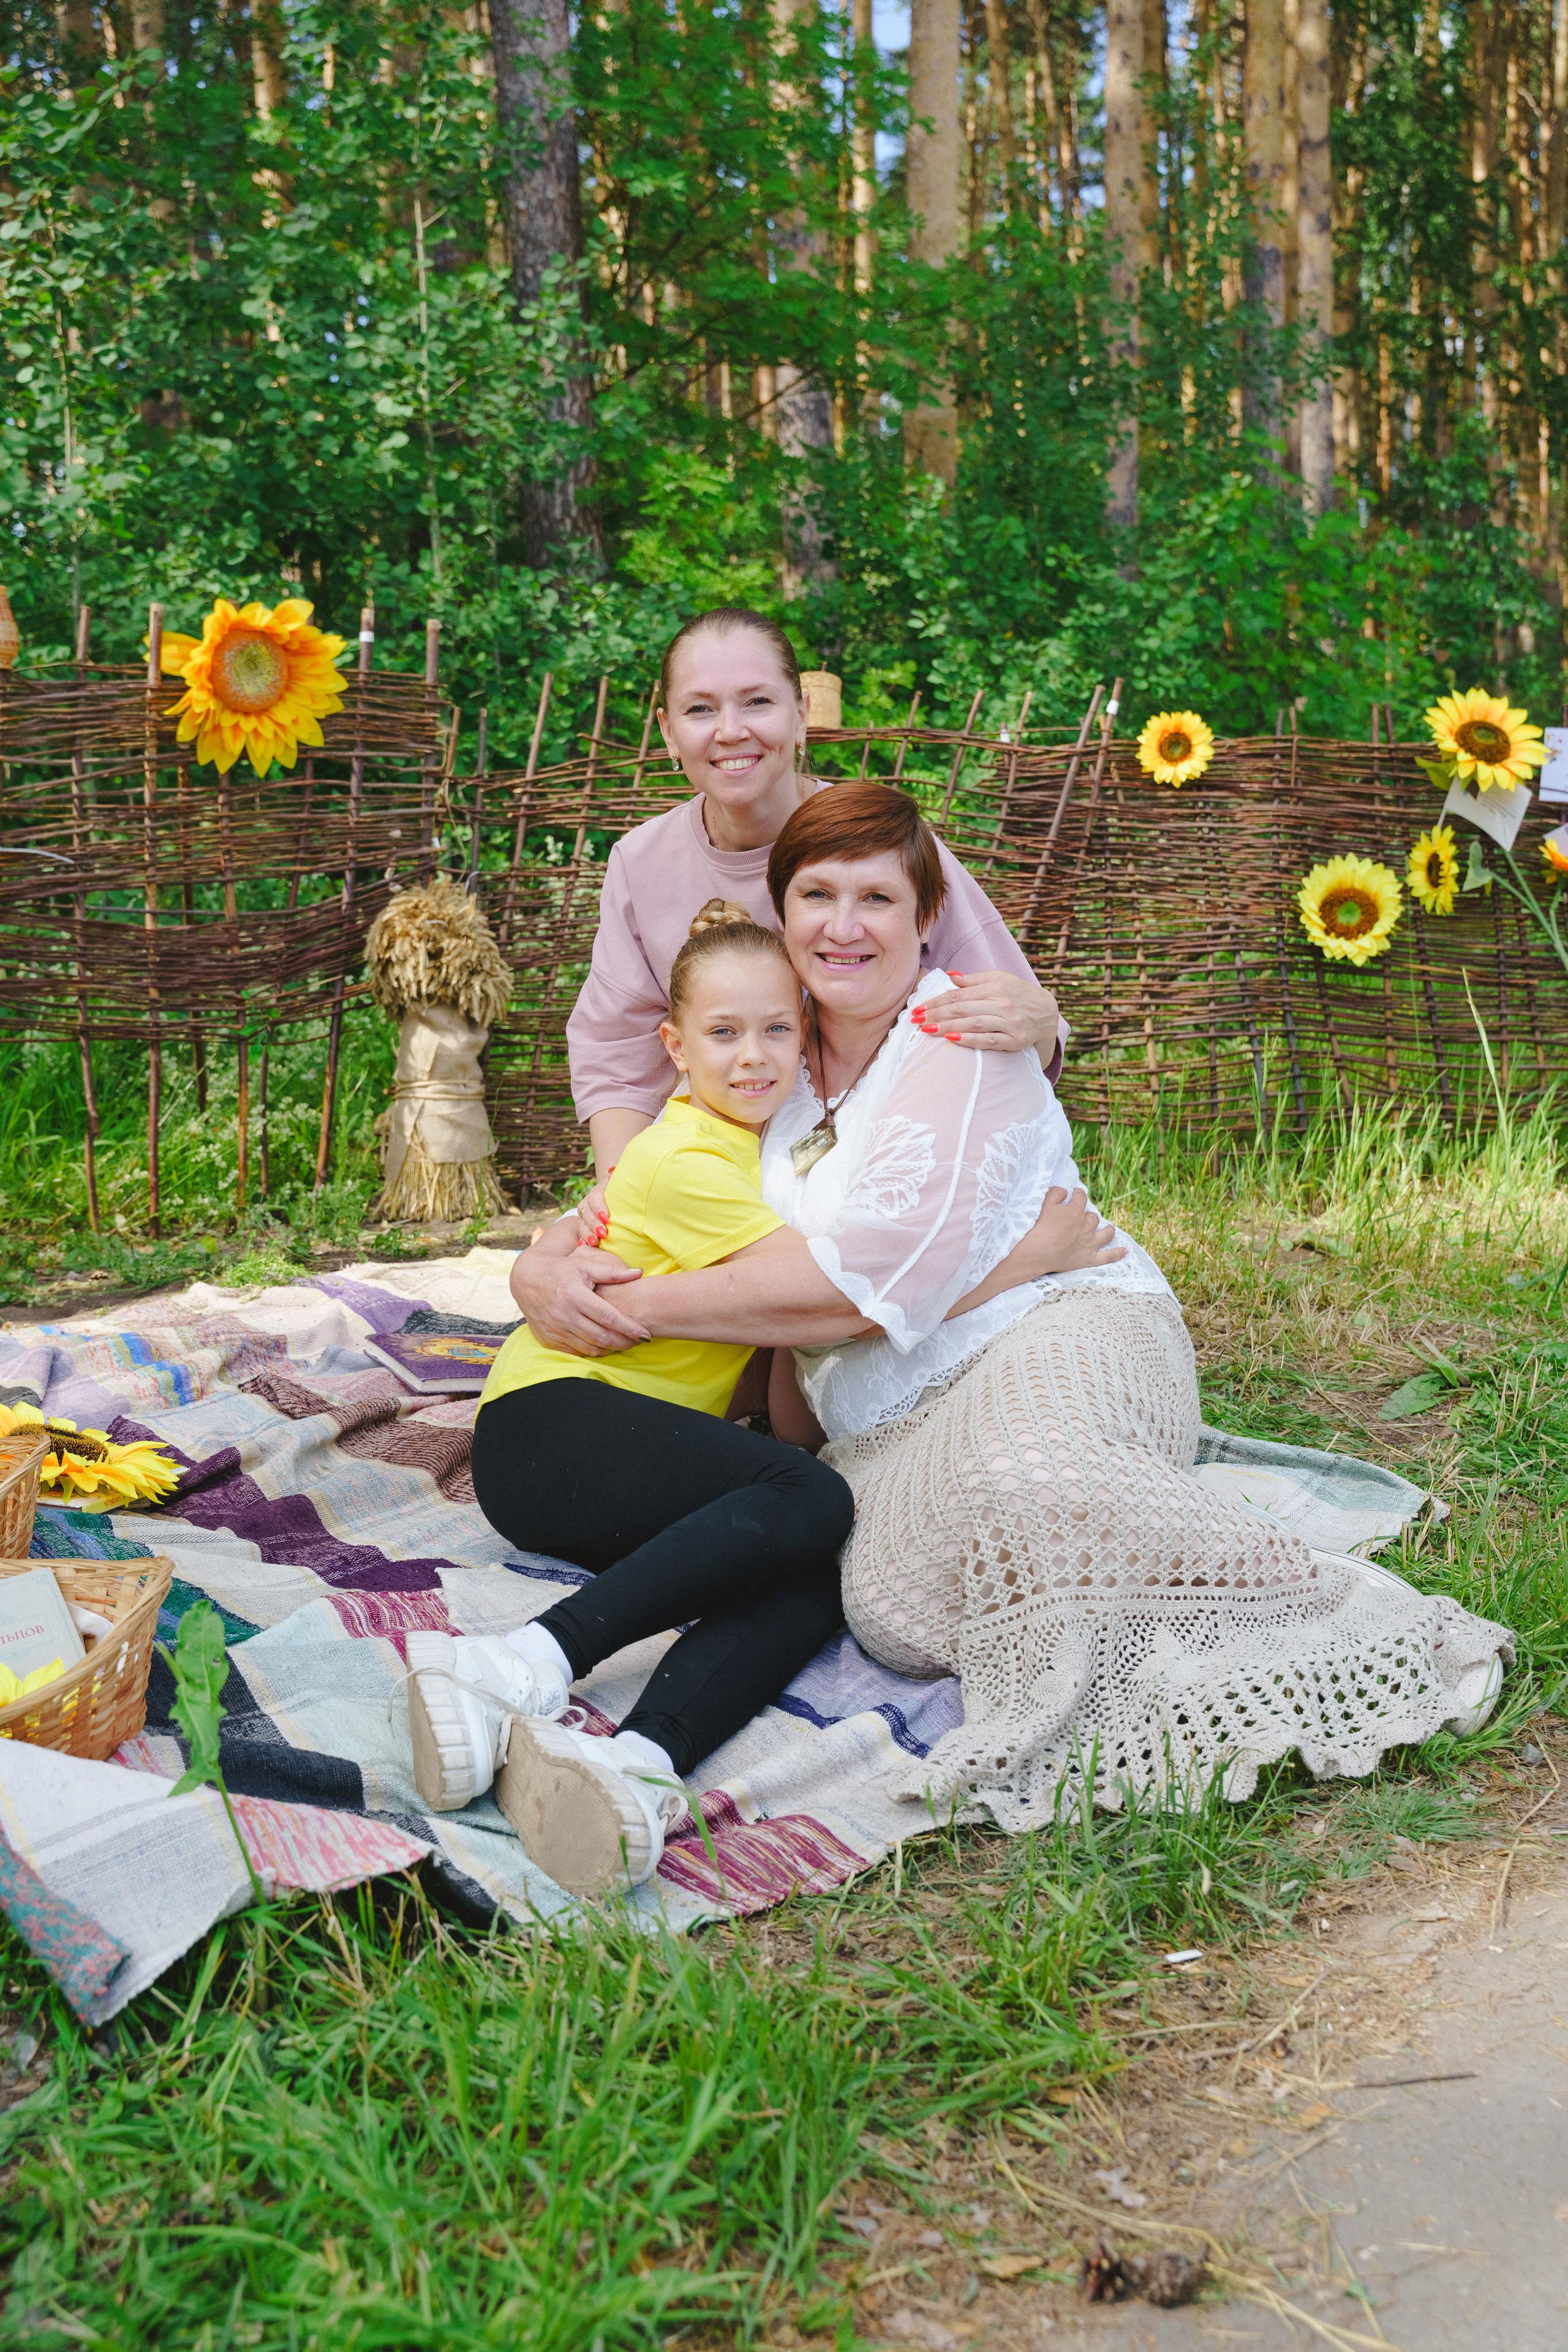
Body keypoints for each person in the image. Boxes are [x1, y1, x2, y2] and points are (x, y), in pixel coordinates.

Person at [522, 782, 1513, 1831]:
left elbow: (858, 1296)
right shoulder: (766, 1059)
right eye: (818, 895)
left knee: (1028, 1482)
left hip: (1063, 1323)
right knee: (889, 1605)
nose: (844, 926)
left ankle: (1302, 1633)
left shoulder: (961, 1040)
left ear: (923, 920)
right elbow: (643, 1189)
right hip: (885, 1413)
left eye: (877, 901)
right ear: (783, 913)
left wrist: (647, 1310)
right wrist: (539, 1268)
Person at [407, 899, 1118, 1894]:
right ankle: (516, 1666)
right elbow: (836, 1306)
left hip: (603, 1453)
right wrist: (1025, 1261)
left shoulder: (766, 1150)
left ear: (807, 1033)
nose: (753, 1056)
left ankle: (641, 1761)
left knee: (825, 1563)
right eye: (724, 1033)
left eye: (778, 1029)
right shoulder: (692, 1159)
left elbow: (795, 1349)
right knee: (810, 1498)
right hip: (549, 1424)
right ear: (675, 1045)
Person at [530, 603, 1067, 1355]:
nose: (730, 730)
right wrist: (623, 1201)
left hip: (861, 1175)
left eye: (756, 701)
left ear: (800, 711)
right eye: (700, 709)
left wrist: (1042, 1021)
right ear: (665, 729)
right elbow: (616, 1054)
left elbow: (1011, 1010)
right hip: (723, 1171)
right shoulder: (641, 864)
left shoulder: (870, 840)